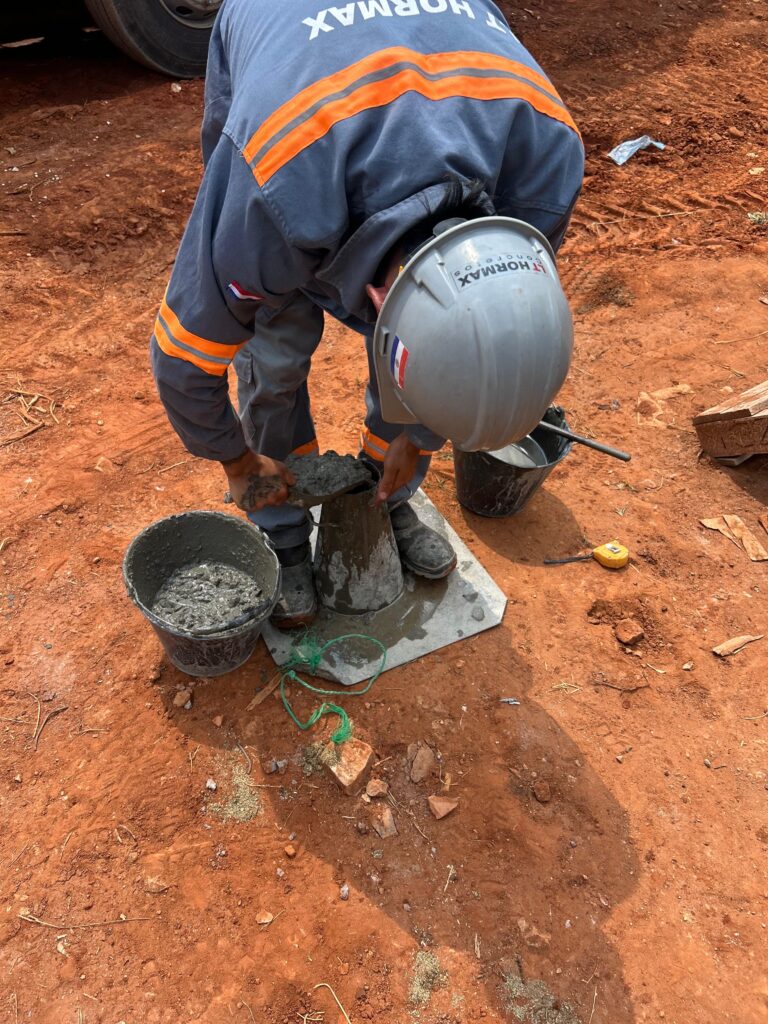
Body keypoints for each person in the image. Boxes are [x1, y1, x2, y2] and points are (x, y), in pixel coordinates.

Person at [151, 0, 584, 628]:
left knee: (436, 351)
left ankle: (387, 497)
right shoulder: (268, 196)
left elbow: (467, 343)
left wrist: (418, 438)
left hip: (363, 143)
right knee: (276, 357)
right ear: (377, 303)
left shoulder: (543, 162)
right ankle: (284, 531)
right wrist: (238, 462)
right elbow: (182, 362)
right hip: (295, 121)